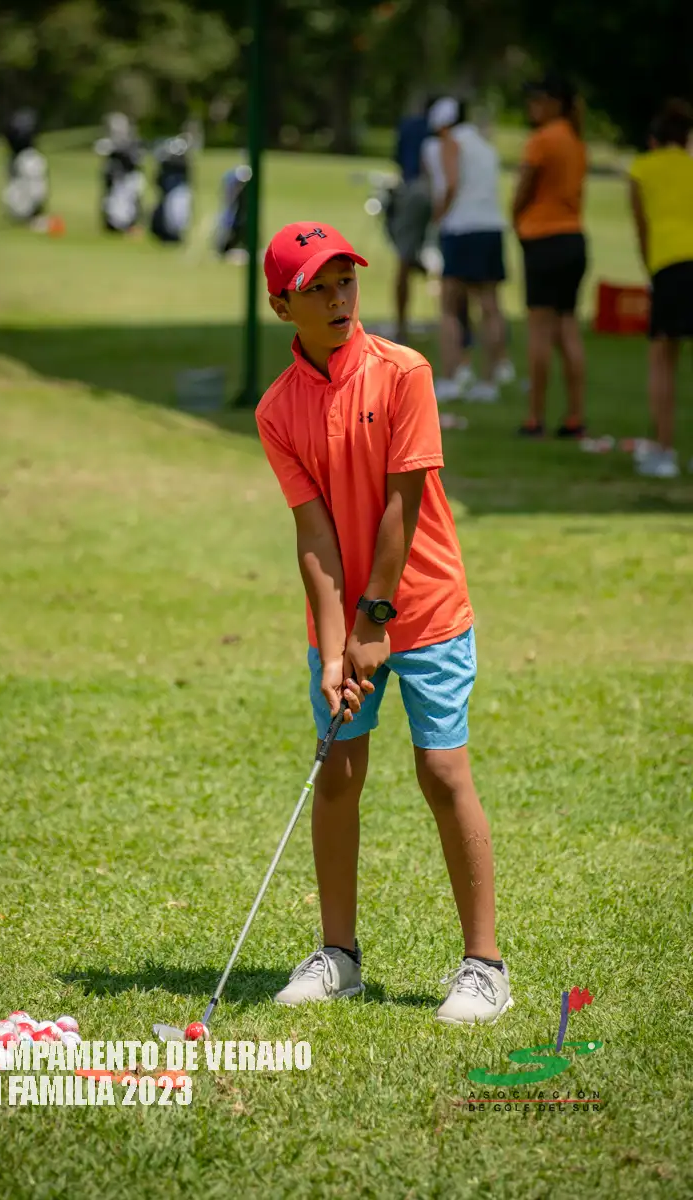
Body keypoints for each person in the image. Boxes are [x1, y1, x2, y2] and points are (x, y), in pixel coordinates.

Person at [255, 221, 512, 1026]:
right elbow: (314, 536)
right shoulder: (276, 410)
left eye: (346, 282)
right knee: (337, 771)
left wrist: (374, 620)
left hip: (424, 608)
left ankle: (485, 966)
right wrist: (336, 650)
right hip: (346, 622)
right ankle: (338, 957)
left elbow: (403, 505)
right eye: (318, 289)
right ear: (282, 305)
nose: (339, 299)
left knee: (442, 772)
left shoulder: (404, 372)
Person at [423, 100, 515, 401]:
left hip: (461, 228)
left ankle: (450, 378)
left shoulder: (451, 143)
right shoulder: (485, 146)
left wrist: (438, 216)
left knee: (449, 307)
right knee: (490, 306)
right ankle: (489, 381)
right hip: (492, 228)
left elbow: (451, 184)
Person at [512, 75, 588, 438]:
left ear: (555, 103)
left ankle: (535, 417)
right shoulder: (576, 141)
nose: (532, 107)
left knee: (540, 331)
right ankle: (575, 416)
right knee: (568, 326)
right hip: (574, 239)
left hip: (543, 239)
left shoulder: (542, 140)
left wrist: (516, 217)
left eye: (538, 100)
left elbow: (524, 189)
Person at [628, 99, 693, 478]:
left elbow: (642, 227)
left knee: (663, 360)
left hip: (669, 265)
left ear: (654, 140)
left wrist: (651, 267)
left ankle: (664, 450)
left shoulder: (642, 167)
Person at [389, 106, 433, 343]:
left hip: (414, 188)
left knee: (404, 259)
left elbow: (399, 159)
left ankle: (401, 328)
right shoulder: (447, 130)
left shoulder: (409, 124)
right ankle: (461, 328)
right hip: (439, 190)